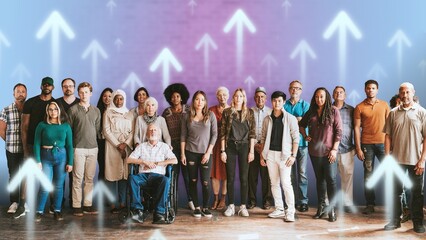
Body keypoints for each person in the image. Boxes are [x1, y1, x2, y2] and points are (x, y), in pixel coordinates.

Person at [383, 82, 426, 233]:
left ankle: (418, 222)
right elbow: (388, 136)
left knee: (417, 193)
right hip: (396, 160)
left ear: (413, 93)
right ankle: (395, 221)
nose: (405, 95)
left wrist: (422, 160)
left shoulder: (422, 112)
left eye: (408, 92)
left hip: (416, 161)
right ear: (399, 94)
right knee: (395, 192)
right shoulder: (393, 113)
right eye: (402, 92)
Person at [299, 87, 342, 222]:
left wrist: (334, 149)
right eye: (317, 96)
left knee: (331, 180)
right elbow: (301, 125)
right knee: (320, 181)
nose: (319, 99)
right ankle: (321, 208)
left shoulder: (333, 110)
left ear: (326, 97)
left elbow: (339, 131)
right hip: (314, 152)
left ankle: (332, 210)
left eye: (322, 96)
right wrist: (306, 135)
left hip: (329, 152)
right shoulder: (311, 111)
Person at [18, 77, 55, 218]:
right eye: (45, 84)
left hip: (49, 146)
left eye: (49, 85)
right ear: (41, 86)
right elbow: (24, 127)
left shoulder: (55, 104)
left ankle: (52, 205)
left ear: (53, 87)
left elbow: (60, 125)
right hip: (32, 144)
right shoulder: (31, 103)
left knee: (49, 176)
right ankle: (22, 205)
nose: (47, 86)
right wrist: (26, 147)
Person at [126, 123, 177, 224]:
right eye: (150, 130)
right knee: (132, 178)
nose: (153, 132)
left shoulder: (164, 147)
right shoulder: (141, 146)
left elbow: (175, 160)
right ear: (146, 134)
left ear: (159, 134)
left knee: (166, 180)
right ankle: (138, 211)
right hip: (143, 176)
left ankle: (159, 213)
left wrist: (158, 163)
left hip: (158, 177)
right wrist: (143, 162)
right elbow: (129, 159)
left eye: (155, 130)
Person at [260, 91, 299, 222]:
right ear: (271, 102)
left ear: (283, 102)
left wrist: (293, 156)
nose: (276, 103)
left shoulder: (291, 118)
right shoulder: (267, 118)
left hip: (285, 156)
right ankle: (279, 209)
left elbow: (296, 139)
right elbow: (263, 138)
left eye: (279, 101)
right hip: (270, 155)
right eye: (274, 101)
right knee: (274, 183)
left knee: (286, 183)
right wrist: (262, 156)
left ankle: (290, 211)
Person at [354, 79, 390, 214]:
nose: (371, 90)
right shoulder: (359, 107)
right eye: (368, 88)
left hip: (383, 144)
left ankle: (394, 203)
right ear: (365, 90)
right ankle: (370, 204)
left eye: (373, 88)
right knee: (368, 175)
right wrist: (358, 148)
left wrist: (389, 146)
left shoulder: (385, 105)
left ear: (377, 90)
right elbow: (356, 128)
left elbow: (390, 128)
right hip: (366, 145)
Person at [33, 102, 73, 222]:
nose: (53, 112)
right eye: (50, 109)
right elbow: (36, 144)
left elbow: (70, 145)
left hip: (61, 157)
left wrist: (70, 162)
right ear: (47, 111)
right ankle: (39, 211)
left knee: (59, 186)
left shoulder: (66, 126)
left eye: (55, 109)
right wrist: (38, 161)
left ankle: (57, 210)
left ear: (59, 110)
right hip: (46, 156)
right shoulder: (42, 125)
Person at [181, 91, 218, 217]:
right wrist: (182, 154)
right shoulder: (187, 116)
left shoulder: (210, 115)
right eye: (197, 99)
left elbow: (215, 135)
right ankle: (197, 207)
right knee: (193, 180)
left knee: (206, 182)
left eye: (202, 99)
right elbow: (183, 136)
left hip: (206, 154)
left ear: (205, 102)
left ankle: (206, 207)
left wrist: (208, 153)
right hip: (190, 152)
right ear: (193, 101)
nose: (199, 102)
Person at [221, 88, 256, 217]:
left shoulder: (250, 113)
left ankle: (242, 206)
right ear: (233, 98)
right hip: (230, 146)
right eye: (236, 96)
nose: (238, 98)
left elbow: (252, 133)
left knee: (244, 178)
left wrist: (251, 151)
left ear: (244, 98)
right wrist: (222, 151)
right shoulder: (227, 112)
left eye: (240, 96)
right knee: (230, 178)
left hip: (245, 146)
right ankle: (231, 206)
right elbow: (223, 133)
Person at [67, 82, 101, 216]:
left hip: (93, 148)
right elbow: (68, 130)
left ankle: (87, 205)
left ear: (90, 93)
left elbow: (97, 130)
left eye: (86, 92)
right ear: (78, 93)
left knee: (89, 179)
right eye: (81, 92)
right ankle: (76, 206)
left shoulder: (96, 110)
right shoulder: (73, 110)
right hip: (78, 148)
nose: (83, 95)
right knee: (77, 178)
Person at [162, 83, 193, 210]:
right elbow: (163, 131)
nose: (175, 99)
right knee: (172, 175)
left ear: (182, 97)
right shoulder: (166, 112)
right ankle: (171, 202)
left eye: (177, 96)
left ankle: (191, 200)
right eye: (173, 97)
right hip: (172, 147)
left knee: (187, 175)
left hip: (186, 146)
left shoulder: (189, 110)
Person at [103, 89, 134, 213]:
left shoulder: (129, 113)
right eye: (116, 98)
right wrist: (117, 145)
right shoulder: (108, 112)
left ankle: (122, 203)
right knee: (111, 175)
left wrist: (125, 144)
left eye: (121, 98)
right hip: (112, 147)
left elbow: (132, 131)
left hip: (126, 147)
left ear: (124, 99)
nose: (118, 101)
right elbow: (106, 130)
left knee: (123, 175)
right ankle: (112, 203)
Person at [0, 83, 27, 215]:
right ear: (13, 94)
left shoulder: (29, 108)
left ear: (26, 93)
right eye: (18, 91)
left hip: (27, 150)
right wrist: (10, 142)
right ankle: (14, 202)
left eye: (23, 91)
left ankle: (24, 202)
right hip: (12, 150)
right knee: (14, 176)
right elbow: (1, 130)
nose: (21, 93)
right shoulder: (6, 110)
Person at [284, 80, 310, 212]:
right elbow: (283, 122)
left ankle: (303, 201)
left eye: (298, 88)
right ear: (289, 90)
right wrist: (297, 119)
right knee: (290, 175)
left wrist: (296, 120)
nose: (295, 90)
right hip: (287, 145)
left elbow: (306, 123)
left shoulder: (306, 105)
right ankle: (291, 201)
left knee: (302, 173)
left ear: (301, 90)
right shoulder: (284, 105)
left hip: (302, 145)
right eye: (293, 88)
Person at [54, 77, 80, 210]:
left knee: (75, 175)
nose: (68, 88)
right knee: (60, 175)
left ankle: (74, 202)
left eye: (70, 85)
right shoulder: (57, 103)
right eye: (65, 86)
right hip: (60, 145)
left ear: (74, 88)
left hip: (77, 144)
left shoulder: (80, 103)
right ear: (62, 88)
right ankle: (59, 203)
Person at [248, 87, 273, 210]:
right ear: (254, 98)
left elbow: (272, 132)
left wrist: (263, 146)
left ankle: (267, 201)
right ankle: (251, 201)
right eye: (257, 96)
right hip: (252, 147)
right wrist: (254, 145)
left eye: (262, 96)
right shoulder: (249, 111)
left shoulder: (271, 112)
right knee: (251, 176)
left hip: (266, 148)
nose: (260, 99)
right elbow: (246, 131)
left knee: (266, 177)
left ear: (266, 98)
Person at [332, 86, 356, 213]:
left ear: (345, 95)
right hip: (331, 150)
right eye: (336, 92)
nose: (338, 94)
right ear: (332, 95)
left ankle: (347, 203)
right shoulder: (328, 109)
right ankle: (327, 202)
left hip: (347, 148)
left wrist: (357, 146)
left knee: (347, 176)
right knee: (329, 177)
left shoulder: (351, 110)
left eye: (341, 92)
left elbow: (357, 129)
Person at [209, 87, 229, 210]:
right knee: (214, 173)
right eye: (220, 95)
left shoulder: (232, 110)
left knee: (226, 173)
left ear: (228, 96)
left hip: (227, 146)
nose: (222, 97)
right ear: (217, 97)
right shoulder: (211, 110)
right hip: (213, 145)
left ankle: (223, 199)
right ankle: (215, 199)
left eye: (224, 95)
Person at [96, 88, 113, 182]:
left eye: (110, 96)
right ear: (101, 98)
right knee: (102, 168)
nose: (107, 98)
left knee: (112, 168)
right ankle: (101, 194)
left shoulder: (117, 111)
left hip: (113, 144)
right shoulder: (97, 110)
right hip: (101, 142)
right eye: (105, 96)